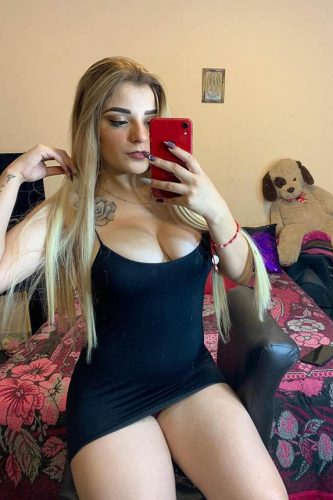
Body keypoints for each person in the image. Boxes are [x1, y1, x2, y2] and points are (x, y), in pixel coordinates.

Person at [0, 56, 288, 499]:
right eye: (120, 121)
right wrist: (13, 177)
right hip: (113, 396)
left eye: (150, 120)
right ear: (92, 128)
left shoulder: (181, 192)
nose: (140, 136)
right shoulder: (73, 209)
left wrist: (214, 207)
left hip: (192, 379)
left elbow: (243, 271)